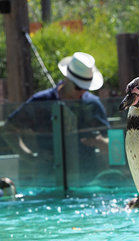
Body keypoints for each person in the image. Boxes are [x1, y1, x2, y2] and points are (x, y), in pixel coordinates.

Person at [1, 52, 110, 183]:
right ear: (66, 78)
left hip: (88, 180)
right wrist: (29, 156)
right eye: (78, 86)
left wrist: (101, 142)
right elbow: (8, 129)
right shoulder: (41, 101)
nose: (82, 91)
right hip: (47, 180)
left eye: (86, 88)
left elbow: (113, 143)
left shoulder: (93, 104)